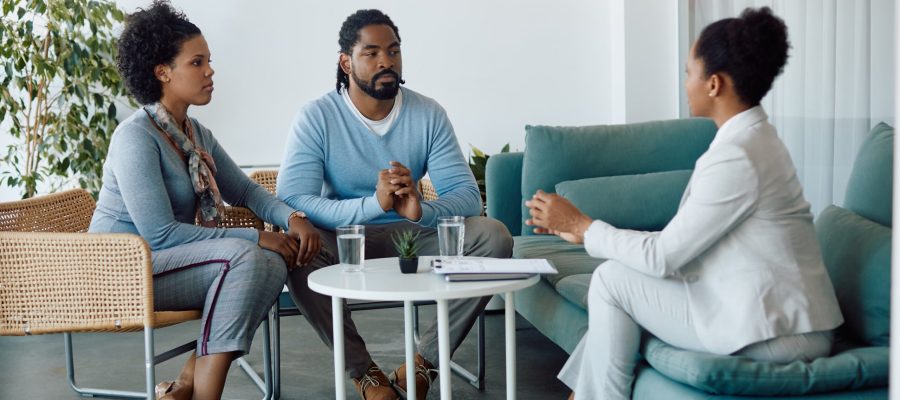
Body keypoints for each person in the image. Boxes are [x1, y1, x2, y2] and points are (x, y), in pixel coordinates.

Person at [525, 7, 844, 400]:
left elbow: (663, 256)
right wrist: (583, 234)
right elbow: (682, 247)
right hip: (780, 319)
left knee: (611, 281)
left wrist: (584, 226)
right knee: (622, 280)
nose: (685, 82)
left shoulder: (738, 155)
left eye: (688, 72)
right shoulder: (752, 139)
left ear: (713, 84)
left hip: (779, 332)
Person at [277, 9, 514, 400]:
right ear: (345, 62)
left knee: (494, 237)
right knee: (297, 250)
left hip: (415, 234)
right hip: (347, 238)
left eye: (393, 51)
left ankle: (424, 365)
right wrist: (373, 204)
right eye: (371, 53)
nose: (386, 61)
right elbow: (294, 201)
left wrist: (420, 210)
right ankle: (364, 373)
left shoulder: (427, 113)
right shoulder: (317, 117)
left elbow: (467, 196)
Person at [88, 2, 321, 399]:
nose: (210, 71)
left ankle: (189, 385)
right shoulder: (134, 139)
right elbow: (159, 234)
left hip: (165, 264)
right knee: (251, 255)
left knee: (269, 260)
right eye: (197, 62)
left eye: (209, 61)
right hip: (121, 272)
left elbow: (245, 190)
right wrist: (255, 237)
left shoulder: (195, 133)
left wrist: (293, 216)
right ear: (163, 72)